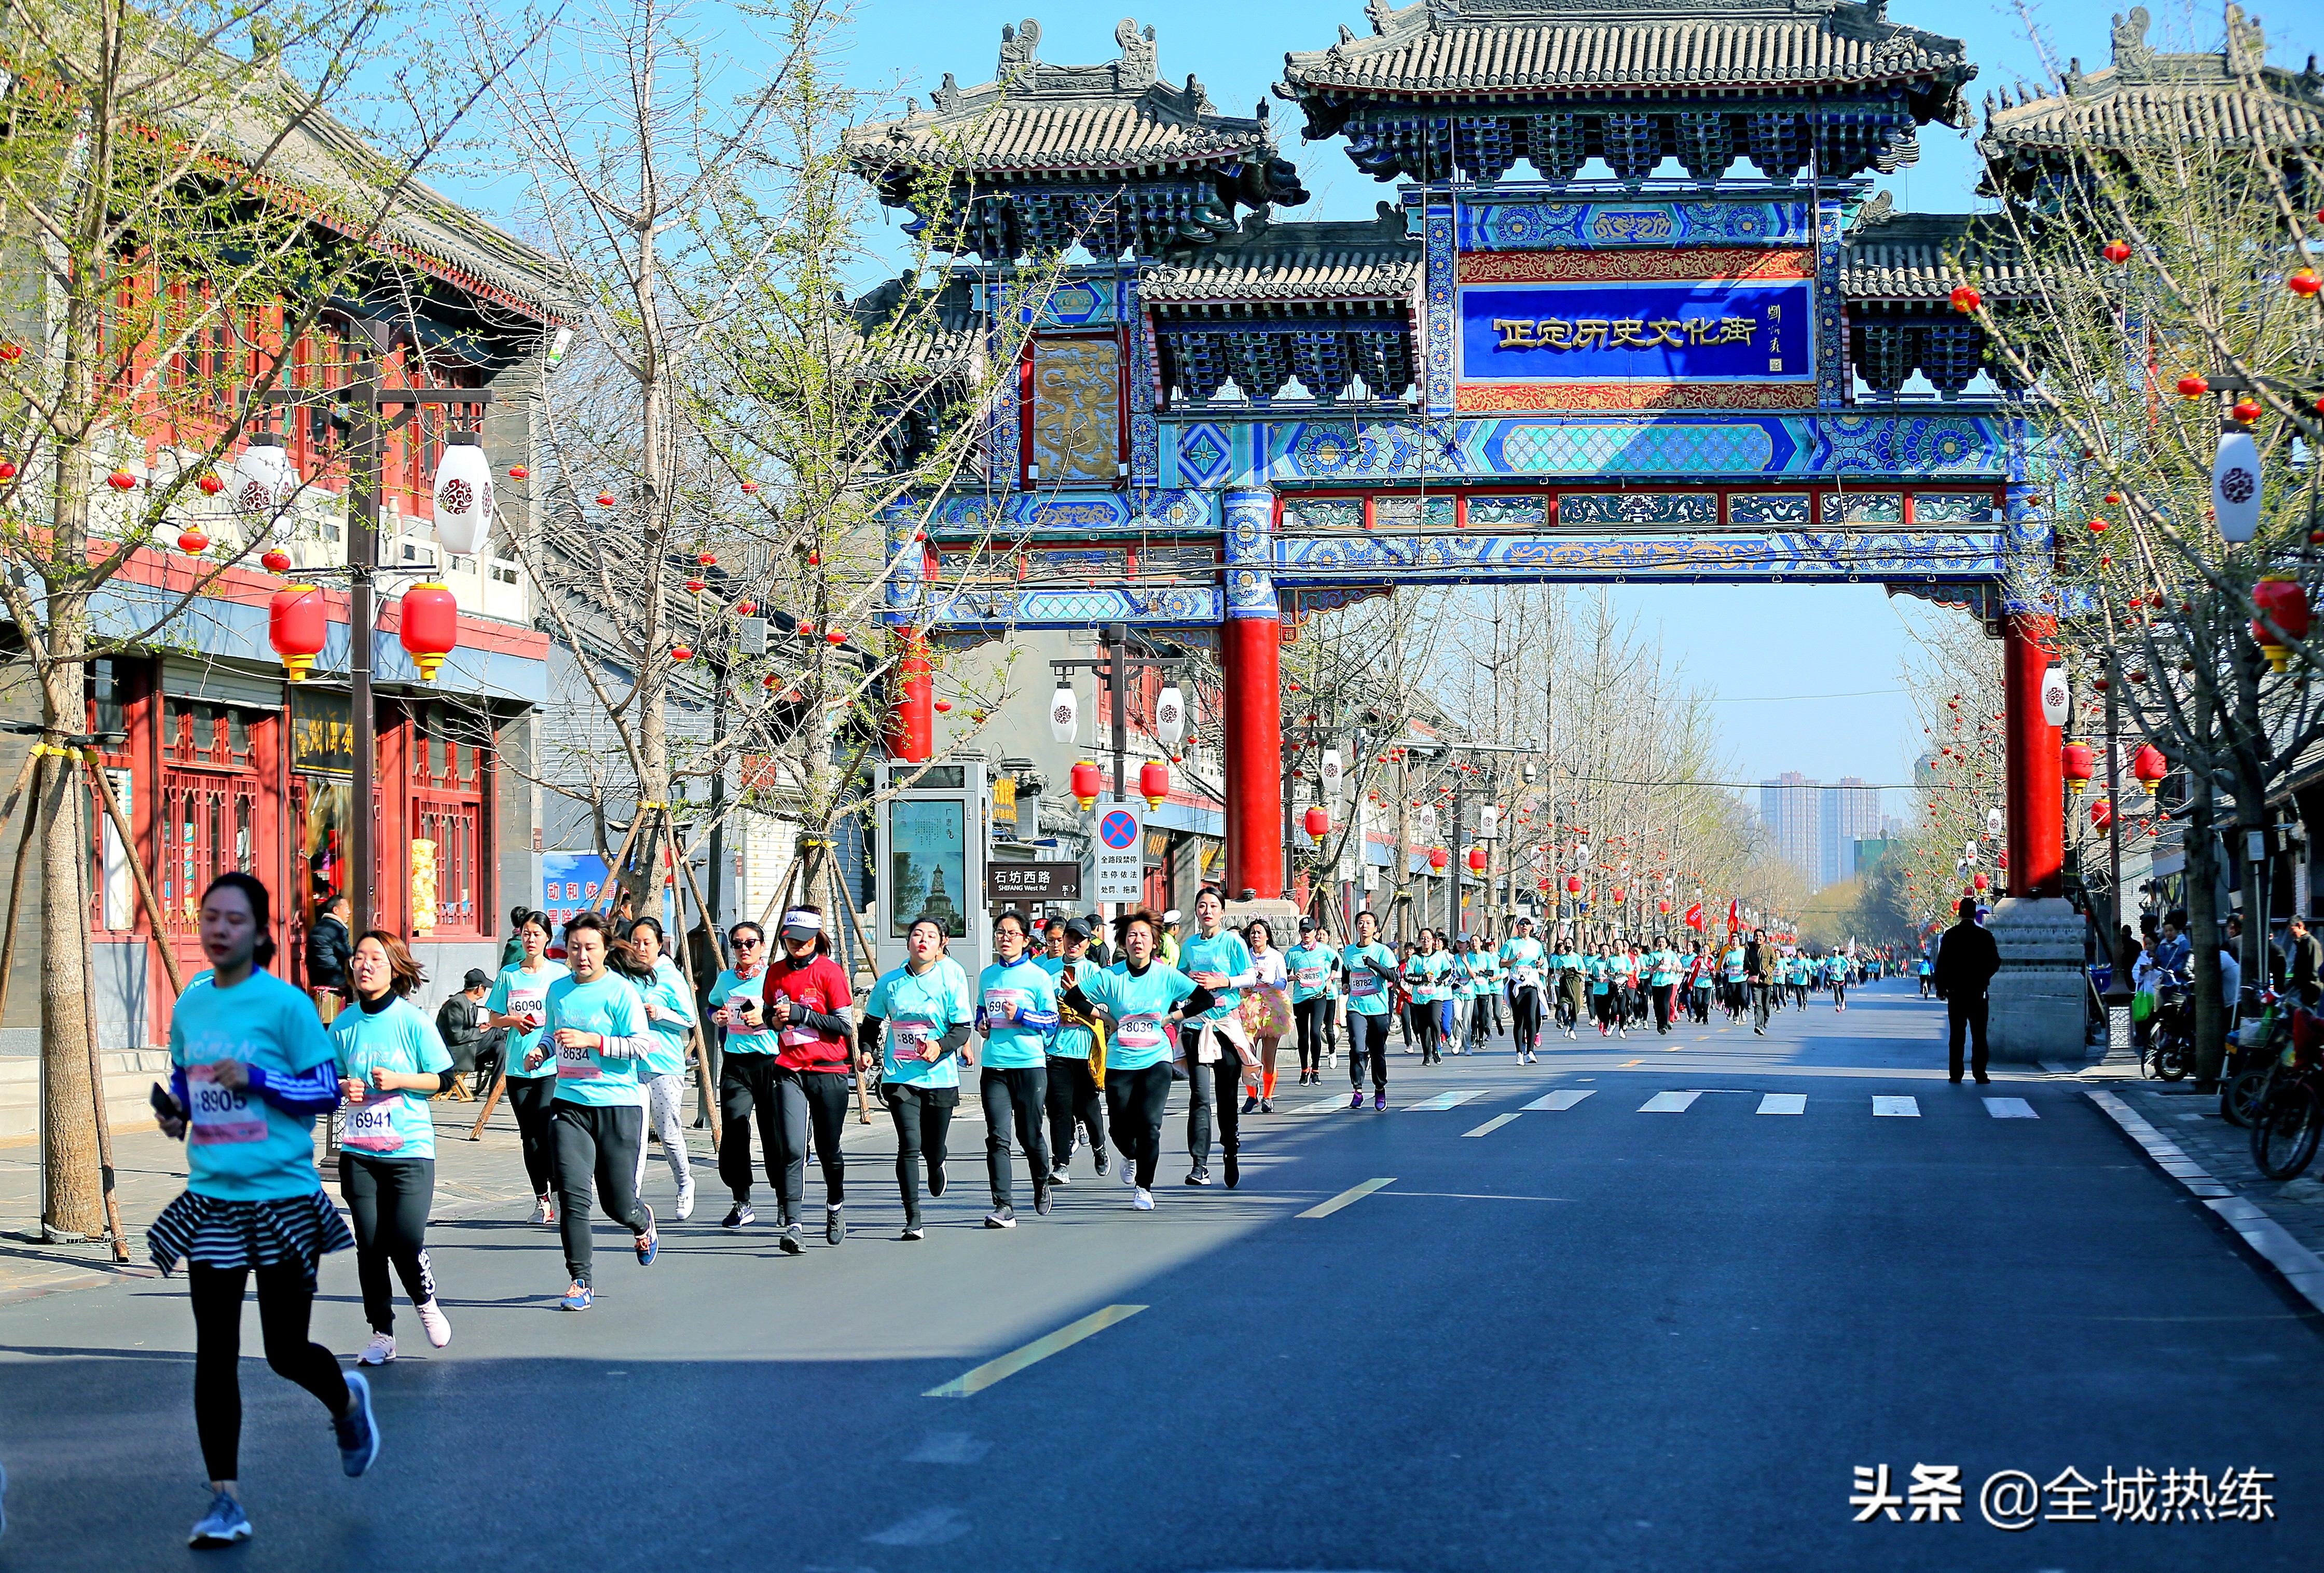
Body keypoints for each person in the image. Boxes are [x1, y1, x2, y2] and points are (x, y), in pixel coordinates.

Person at [148, 872, 379, 1549]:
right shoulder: (191, 1007)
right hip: (214, 1199)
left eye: (233, 918)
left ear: (258, 929)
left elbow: (322, 1092)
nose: (218, 928)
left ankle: (345, 1399)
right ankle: (225, 1499)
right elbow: (192, 1086)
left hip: (282, 1197)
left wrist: (259, 1078)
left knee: (283, 1348)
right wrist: (176, 1110)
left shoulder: (287, 1007)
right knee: (214, 1354)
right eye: (208, 916)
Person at [329, 930, 456, 1365]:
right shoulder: (343, 1024)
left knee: (404, 1239)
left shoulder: (412, 1021)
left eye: (376, 959)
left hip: (410, 1150)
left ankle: (425, 1301)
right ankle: (382, 1333)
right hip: (360, 1150)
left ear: (395, 967)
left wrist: (401, 1080)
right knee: (369, 1243)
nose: (365, 965)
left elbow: (444, 1078)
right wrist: (342, 1085)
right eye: (359, 958)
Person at [532, 911, 659, 1310]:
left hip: (618, 1104)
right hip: (570, 1103)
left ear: (605, 949)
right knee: (572, 1195)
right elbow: (553, 1034)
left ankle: (641, 1221)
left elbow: (643, 1045)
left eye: (589, 948)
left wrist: (594, 1041)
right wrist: (543, 1050)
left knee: (617, 1203)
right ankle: (580, 1280)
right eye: (574, 948)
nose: (581, 956)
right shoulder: (558, 991)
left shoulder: (619, 992)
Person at [1075, 909, 1211, 1209]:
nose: (1138, 941)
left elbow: (1205, 999)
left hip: (1156, 1060)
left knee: (1150, 1125)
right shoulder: (1111, 976)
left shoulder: (1165, 975)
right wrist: (1107, 1018)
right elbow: (1074, 998)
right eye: (1132, 935)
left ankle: (1144, 1189)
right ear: (1123, 941)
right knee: (1119, 1129)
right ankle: (1130, 1154)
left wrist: (1172, 1017)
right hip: (1120, 1061)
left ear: (1154, 943)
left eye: (1145, 936)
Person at [746, 906, 858, 1247]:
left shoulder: (831, 972)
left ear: (816, 940)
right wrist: (774, 1020)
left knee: (828, 1149)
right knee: (792, 1147)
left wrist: (803, 1014)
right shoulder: (775, 972)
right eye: (791, 939)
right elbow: (767, 1013)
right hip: (789, 1067)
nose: (796, 945)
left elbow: (844, 1025)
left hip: (829, 1069)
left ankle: (835, 1205)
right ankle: (793, 1225)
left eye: (803, 940)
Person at [859, 915, 977, 1238]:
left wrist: (940, 1047)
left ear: (941, 944)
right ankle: (913, 1217)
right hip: (900, 1076)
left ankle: (937, 1162)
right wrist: (867, 1050)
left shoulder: (951, 979)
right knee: (909, 1143)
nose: (922, 940)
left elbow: (962, 1029)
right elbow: (870, 1023)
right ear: (908, 941)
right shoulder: (890, 982)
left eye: (930, 936)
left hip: (939, 1077)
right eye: (916, 935)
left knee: (932, 1147)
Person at [975, 909, 1059, 1226]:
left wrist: (1022, 1014)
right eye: (1000, 933)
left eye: (1012, 934)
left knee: (1030, 1135)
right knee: (998, 1137)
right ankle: (1003, 1206)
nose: (1005, 939)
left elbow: (1052, 1022)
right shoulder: (987, 975)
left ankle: (1041, 1180)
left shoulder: (1037, 976)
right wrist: (982, 1025)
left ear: (1025, 940)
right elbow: (982, 1012)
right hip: (995, 1066)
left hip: (1029, 1065)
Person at [484, 911, 567, 1223]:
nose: (530, 940)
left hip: (551, 1065)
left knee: (548, 1131)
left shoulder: (559, 975)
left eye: (536, 934)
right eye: (526, 934)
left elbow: (566, 1014)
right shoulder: (508, 976)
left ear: (547, 938)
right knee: (529, 1137)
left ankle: (560, 1192)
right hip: (518, 1067)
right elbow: (493, 1018)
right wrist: (513, 1021)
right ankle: (541, 1201)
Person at [1176, 886, 1256, 1186]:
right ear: (1196, 912)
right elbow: (1180, 977)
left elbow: (1250, 977)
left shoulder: (1232, 941)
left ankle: (1230, 1150)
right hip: (1197, 1026)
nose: (1207, 911)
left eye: (1213, 906)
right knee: (1199, 1097)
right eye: (1202, 906)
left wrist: (1221, 981)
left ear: (1223, 912)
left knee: (1225, 1096)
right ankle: (1199, 1165)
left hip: (1224, 1027)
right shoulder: (1190, 945)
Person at [624, 917, 698, 1221]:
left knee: (668, 1133)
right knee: (635, 1136)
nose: (641, 948)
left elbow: (689, 1020)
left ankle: (684, 1183)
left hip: (664, 1066)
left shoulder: (671, 975)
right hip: (630, 1067)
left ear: (659, 944)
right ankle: (633, 1199)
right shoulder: (625, 974)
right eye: (636, 942)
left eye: (647, 943)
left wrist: (660, 1013)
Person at [1036, 917, 1109, 1181]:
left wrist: (1078, 1010)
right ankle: (1061, 1164)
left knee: (1089, 1107)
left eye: (1080, 939)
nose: (1073, 944)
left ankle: (1100, 1148)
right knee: (1059, 1109)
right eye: (1070, 938)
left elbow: (1105, 1010)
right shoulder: (1046, 970)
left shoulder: (1095, 972)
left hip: (1087, 1050)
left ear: (1088, 943)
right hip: (1055, 1050)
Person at [1932, 896, 2001, 1084]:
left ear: (1960, 913)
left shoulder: (1951, 935)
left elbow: (1943, 964)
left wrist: (1941, 988)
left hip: (1956, 993)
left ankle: (1956, 1074)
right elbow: (1996, 962)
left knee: (1957, 1036)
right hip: (1978, 992)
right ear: (1975, 913)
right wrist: (1983, 977)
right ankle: (1980, 1073)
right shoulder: (1985, 936)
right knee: (1979, 1035)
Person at [1341, 910, 1399, 1109]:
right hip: (1356, 1007)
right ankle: (1357, 1090)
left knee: (1377, 1052)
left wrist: (1372, 964)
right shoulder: (1349, 951)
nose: (1364, 926)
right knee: (1357, 1048)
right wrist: (1345, 983)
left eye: (1368, 923)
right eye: (1361, 922)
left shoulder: (1383, 951)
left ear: (1376, 929)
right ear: (1357, 926)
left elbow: (1394, 976)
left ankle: (1380, 1089)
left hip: (1378, 1008)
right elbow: (1347, 969)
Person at [1240, 919, 1291, 1112]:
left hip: (1272, 1006)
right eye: (1253, 933)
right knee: (1247, 1054)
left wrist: (1267, 979)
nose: (1256, 936)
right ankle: (1251, 1095)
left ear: (1268, 936)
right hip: (1249, 1005)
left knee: (1268, 1057)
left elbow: (1283, 984)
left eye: (1260, 933)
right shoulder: (1246, 956)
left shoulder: (1276, 956)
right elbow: (1241, 979)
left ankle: (1268, 1097)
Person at [1285, 918, 1339, 1086]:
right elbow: (1283, 975)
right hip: (1301, 999)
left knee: (1315, 1032)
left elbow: (1336, 962)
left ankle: (1315, 1070)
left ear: (1315, 932)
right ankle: (1304, 1070)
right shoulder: (1293, 953)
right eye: (1303, 931)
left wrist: (1330, 979)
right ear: (1300, 933)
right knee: (1303, 1035)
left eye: (1309, 931)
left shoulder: (1324, 950)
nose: (1306, 934)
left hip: (1319, 997)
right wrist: (1293, 977)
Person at [434, 968, 496, 1099]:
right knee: (497, 1032)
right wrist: (479, 1030)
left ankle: (496, 1091)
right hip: (455, 1051)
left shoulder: (470, 1004)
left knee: (501, 1047)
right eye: (484, 987)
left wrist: (480, 1029)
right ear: (479, 988)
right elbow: (456, 1036)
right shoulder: (457, 1003)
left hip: (466, 1047)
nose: (485, 990)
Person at [1500, 916, 1546, 1063]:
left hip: (1531, 984)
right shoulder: (1511, 943)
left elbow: (1542, 961)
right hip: (1516, 984)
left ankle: (1530, 1051)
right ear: (1517, 927)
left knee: (1532, 1018)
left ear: (1532, 927)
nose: (1524, 926)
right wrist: (1515, 960)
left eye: (1527, 924)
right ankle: (1519, 1052)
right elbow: (1502, 964)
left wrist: (1540, 963)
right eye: (1522, 924)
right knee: (1518, 1019)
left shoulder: (1537, 944)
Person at [306, 892, 352, 1021]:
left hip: (315, 978)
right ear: (336, 910)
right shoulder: (338, 928)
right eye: (346, 909)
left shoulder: (317, 927)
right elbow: (347, 955)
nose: (349, 912)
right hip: (333, 979)